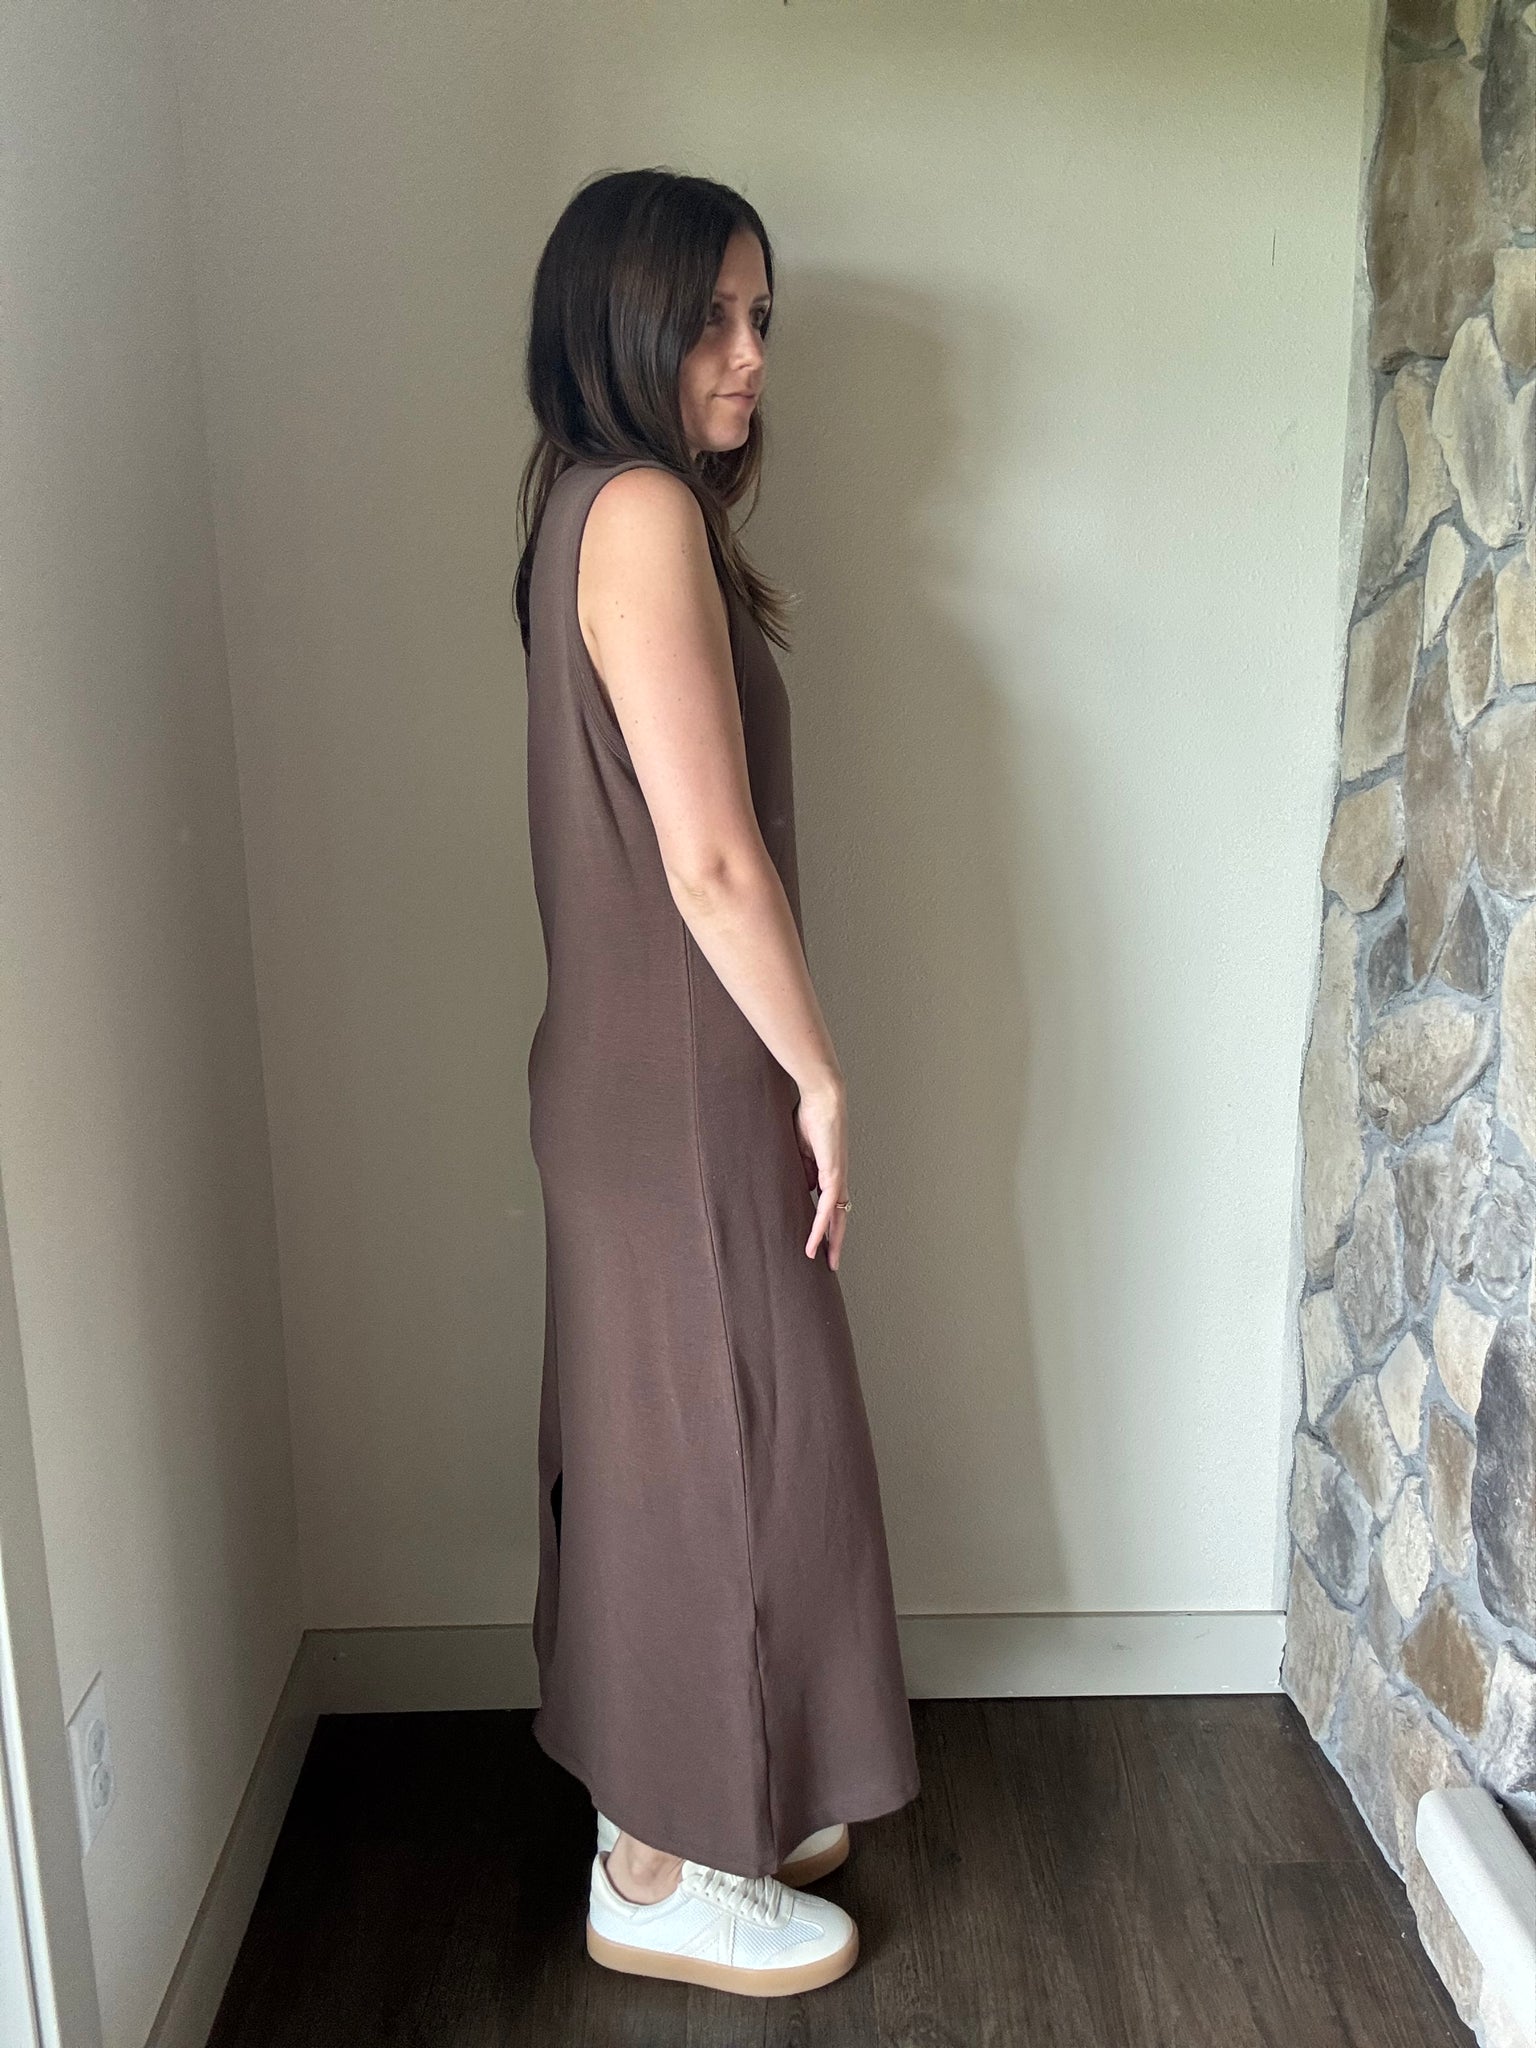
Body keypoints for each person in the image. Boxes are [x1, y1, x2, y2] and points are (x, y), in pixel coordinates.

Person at [513, 167, 920, 1998]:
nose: (751, 353)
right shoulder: (642, 513)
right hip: (685, 1085)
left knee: (693, 1442)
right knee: (724, 1452)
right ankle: (662, 1868)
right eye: (712, 318)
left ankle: (721, 1791)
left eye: (762, 317)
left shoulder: (582, 506)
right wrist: (819, 1074)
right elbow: (709, 857)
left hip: (637, 1077)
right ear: (621, 319)